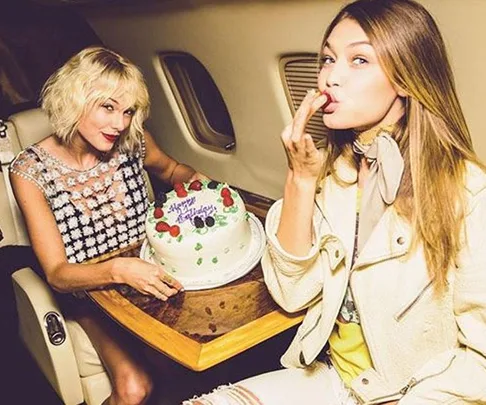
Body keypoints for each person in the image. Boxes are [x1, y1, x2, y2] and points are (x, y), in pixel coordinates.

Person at [182, 0, 486, 404]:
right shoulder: (337, 173)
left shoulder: (467, 192)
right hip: (334, 378)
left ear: (408, 79)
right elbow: (292, 294)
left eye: (359, 60)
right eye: (327, 58)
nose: (329, 77)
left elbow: (480, 359)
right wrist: (300, 180)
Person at [9, 46, 206, 405]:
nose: (120, 123)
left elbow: (174, 171)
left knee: (190, 365)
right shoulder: (29, 170)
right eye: (108, 107)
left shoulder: (133, 141)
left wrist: (200, 184)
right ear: (74, 101)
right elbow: (57, 273)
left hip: (148, 268)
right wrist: (117, 271)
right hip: (89, 292)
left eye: (128, 111)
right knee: (134, 387)